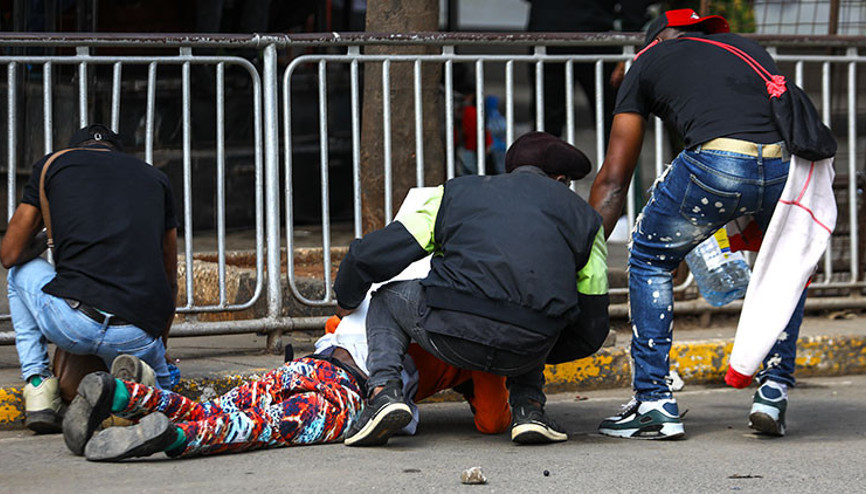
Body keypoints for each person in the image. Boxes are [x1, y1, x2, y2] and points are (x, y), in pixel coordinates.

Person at [589, 9, 808, 439]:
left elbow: (614, 181)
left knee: (651, 256)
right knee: (783, 265)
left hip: (719, 162)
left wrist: (584, 252)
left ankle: (653, 400)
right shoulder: (747, 48)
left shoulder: (648, 61)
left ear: (659, 38)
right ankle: (774, 389)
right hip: (787, 167)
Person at [335, 131, 610, 447]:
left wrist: (347, 298)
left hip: (451, 333)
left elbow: (369, 256)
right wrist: (543, 346)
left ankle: (383, 393)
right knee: (536, 308)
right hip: (526, 349)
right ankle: (529, 409)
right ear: (560, 179)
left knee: (386, 297)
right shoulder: (588, 221)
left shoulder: (455, 192)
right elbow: (592, 327)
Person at [61, 308, 510, 461]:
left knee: (223, 405)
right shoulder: (476, 331)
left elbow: (339, 320)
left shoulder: (393, 283)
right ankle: (177, 437)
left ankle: (124, 394)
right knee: (257, 428)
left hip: (316, 363)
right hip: (348, 396)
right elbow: (492, 420)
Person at [0, 124, 178, 434]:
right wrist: (157, 349)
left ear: (74, 150)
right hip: (138, 333)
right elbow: (169, 280)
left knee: (18, 274)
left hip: (74, 321)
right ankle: (143, 391)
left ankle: (39, 385)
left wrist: (50, 234)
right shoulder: (156, 178)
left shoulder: (53, 166)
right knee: (171, 404)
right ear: (117, 154)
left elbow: (9, 254)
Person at [525, 0, 650, 140]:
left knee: (545, 120)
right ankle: (618, 161)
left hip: (546, 35)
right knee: (613, 120)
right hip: (596, 36)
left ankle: (541, 159)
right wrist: (630, 36)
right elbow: (634, 6)